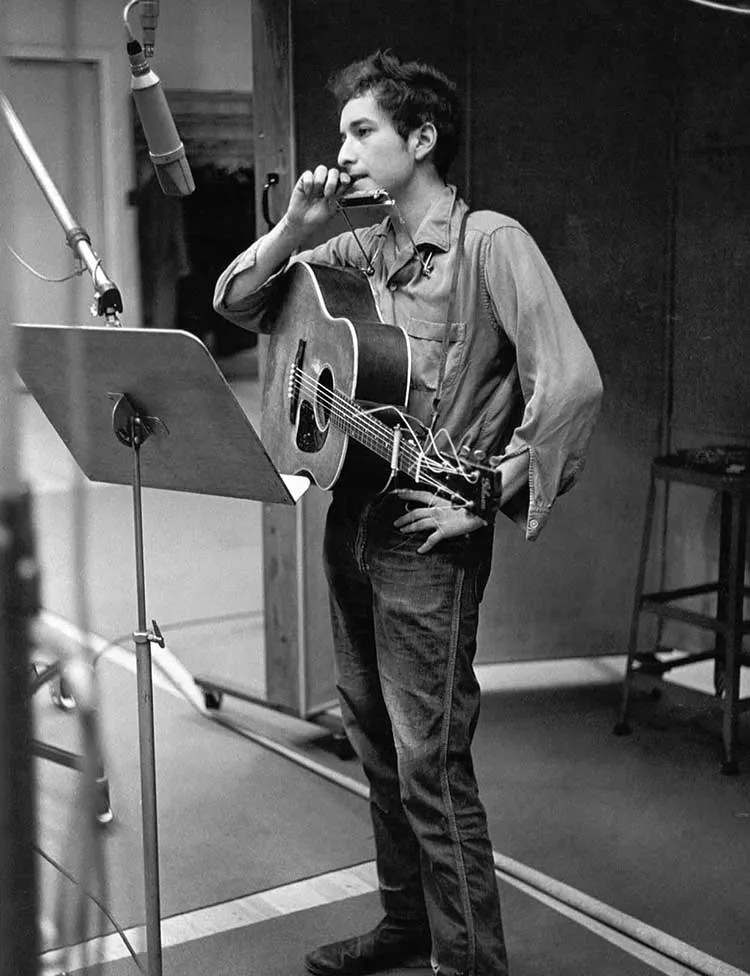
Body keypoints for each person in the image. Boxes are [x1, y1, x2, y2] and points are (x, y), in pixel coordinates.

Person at [214, 50, 602, 976]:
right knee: (375, 742)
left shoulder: (488, 244)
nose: (342, 149)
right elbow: (240, 303)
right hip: (350, 515)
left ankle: (472, 962)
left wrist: (491, 495)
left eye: (361, 131)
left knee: (430, 759)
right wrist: (294, 227)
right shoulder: (360, 246)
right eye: (341, 132)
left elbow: (573, 384)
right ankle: (407, 925)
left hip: (430, 536)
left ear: (420, 138)